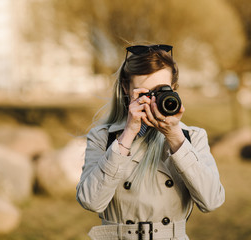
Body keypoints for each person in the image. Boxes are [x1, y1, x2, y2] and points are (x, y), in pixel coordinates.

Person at [76, 44, 225, 240]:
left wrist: (174, 136)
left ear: (174, 89)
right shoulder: (104, 137)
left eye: (161, 91)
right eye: (145, 93)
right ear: (126, 88)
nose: (154, 100)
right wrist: (127, 134)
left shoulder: (192, 137)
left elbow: (212, 201)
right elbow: (91, 201)